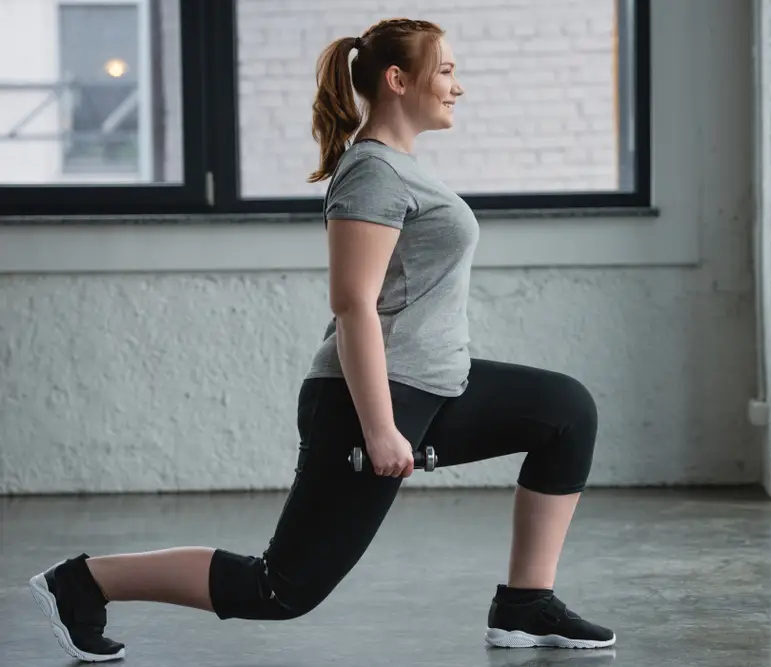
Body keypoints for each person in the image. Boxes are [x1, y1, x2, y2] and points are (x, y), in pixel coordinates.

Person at [28, 18, 616, 662]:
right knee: (280, 588)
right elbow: (353, 304)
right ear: (398, 80)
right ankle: (83, 582)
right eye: (445, 71)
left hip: (434, 384)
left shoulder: (398, 168)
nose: (457, 87)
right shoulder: (372, 174)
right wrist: (381, 426)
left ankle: (526, 606)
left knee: (565, 412)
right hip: (371, 396)